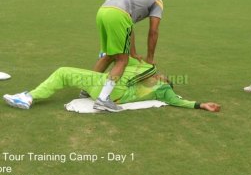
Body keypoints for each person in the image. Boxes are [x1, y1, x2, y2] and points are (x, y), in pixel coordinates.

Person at [3, 58, 220, 113]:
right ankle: (89, 90)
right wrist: (201, 105)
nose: (161, 77)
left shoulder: (162, 88)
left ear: (166, 82)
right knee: (71, 75)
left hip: (115, 92)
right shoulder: (156, 87)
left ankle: (28, 97)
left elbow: (179, 100)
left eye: (163, 78)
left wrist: (200, 105)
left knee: (63, 72)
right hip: (116, 94)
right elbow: (179, 101)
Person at [92, 0, 163, 112]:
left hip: (102, 11)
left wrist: (133, 53)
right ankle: (103, 99)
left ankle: (86, 90)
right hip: (118, 15)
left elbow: (129, 28)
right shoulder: (157, 0)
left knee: (109, 55)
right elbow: (153, 31)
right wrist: (150, 58)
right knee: (122, 61)